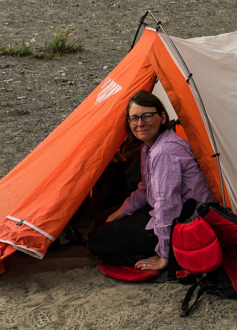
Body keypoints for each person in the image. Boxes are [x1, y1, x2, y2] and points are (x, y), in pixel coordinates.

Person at [88, 90, 215, 272]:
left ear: (162, 118)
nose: (140, 124)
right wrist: (116, 216)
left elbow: (167, 206)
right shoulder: (148, 147)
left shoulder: (164, 151)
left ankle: (171, 257)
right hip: (162, 211)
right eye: (134, 118)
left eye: (147, 116)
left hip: (185, 224)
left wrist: (164, 255)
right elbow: (145, 189)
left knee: (96, 240)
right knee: (103, 219)